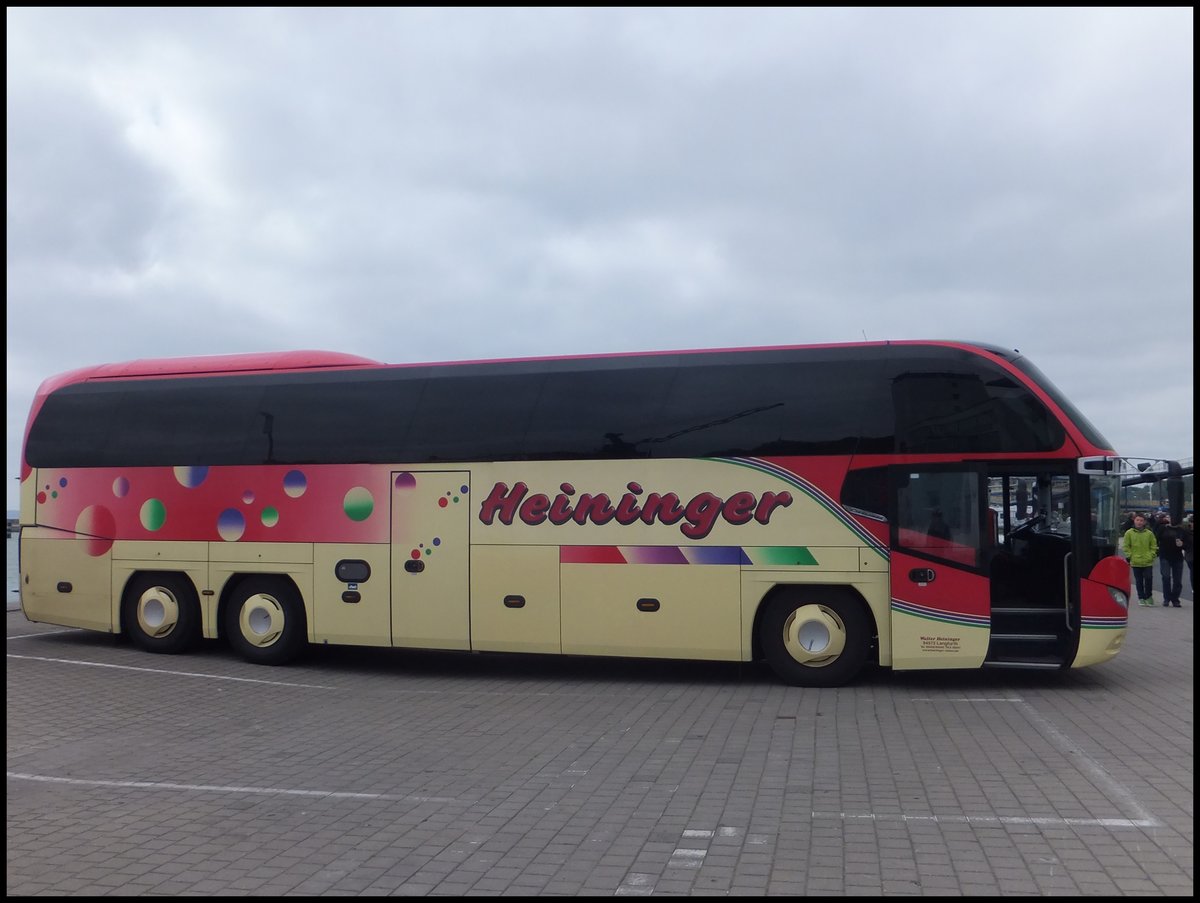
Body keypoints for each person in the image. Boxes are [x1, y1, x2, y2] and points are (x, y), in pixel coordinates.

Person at [1122, 513, 1158, 607]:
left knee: (1149, 579)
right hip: (1135, 561)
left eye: (1141, 520)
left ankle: (1149, 597)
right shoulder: (1129, 533)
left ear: (1144, 522)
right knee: (1139, 580)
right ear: (1134, 521)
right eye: (1137, 520)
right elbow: (1126, 546)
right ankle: (1141, 597)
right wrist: (1130, 555)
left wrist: (1151, 555)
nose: (1139, 522)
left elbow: (1153, 545)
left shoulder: (1149, 533)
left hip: (1147, 561)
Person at [1154, 513, 1185, 608]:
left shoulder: (1181, 530)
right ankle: (1166, 598)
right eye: (1170, 517)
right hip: (1165, 556)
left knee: (1177, 580)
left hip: (1178, 557)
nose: (1172, 519)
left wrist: (1182, 544)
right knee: (1166, 577)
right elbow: (1155, 537)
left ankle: (1175, 599)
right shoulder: (1163, 528)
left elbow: (1187, 542)